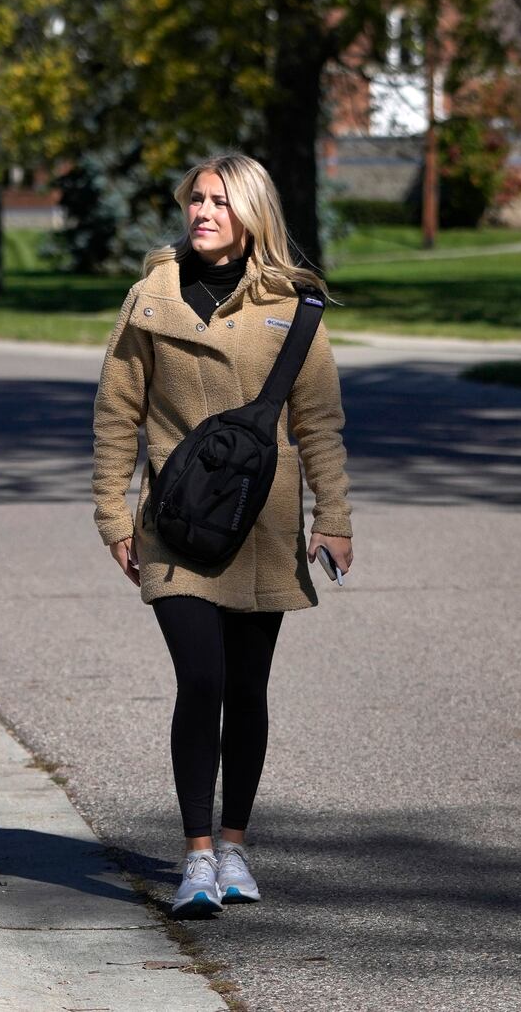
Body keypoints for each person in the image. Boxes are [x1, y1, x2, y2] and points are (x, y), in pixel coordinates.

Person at [91, 153, 354, 919]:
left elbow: (320, 423)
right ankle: (197, 854)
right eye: (196, 200)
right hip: (174, 523)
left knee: (246, 688)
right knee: (200, 680)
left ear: (251, 214)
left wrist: (333, 517)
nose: (203, 212)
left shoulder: (293, 306)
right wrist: (112, 513)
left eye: (219, 202)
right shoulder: (151, 299)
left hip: (263, 524)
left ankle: (234, 843)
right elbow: (117, 415)